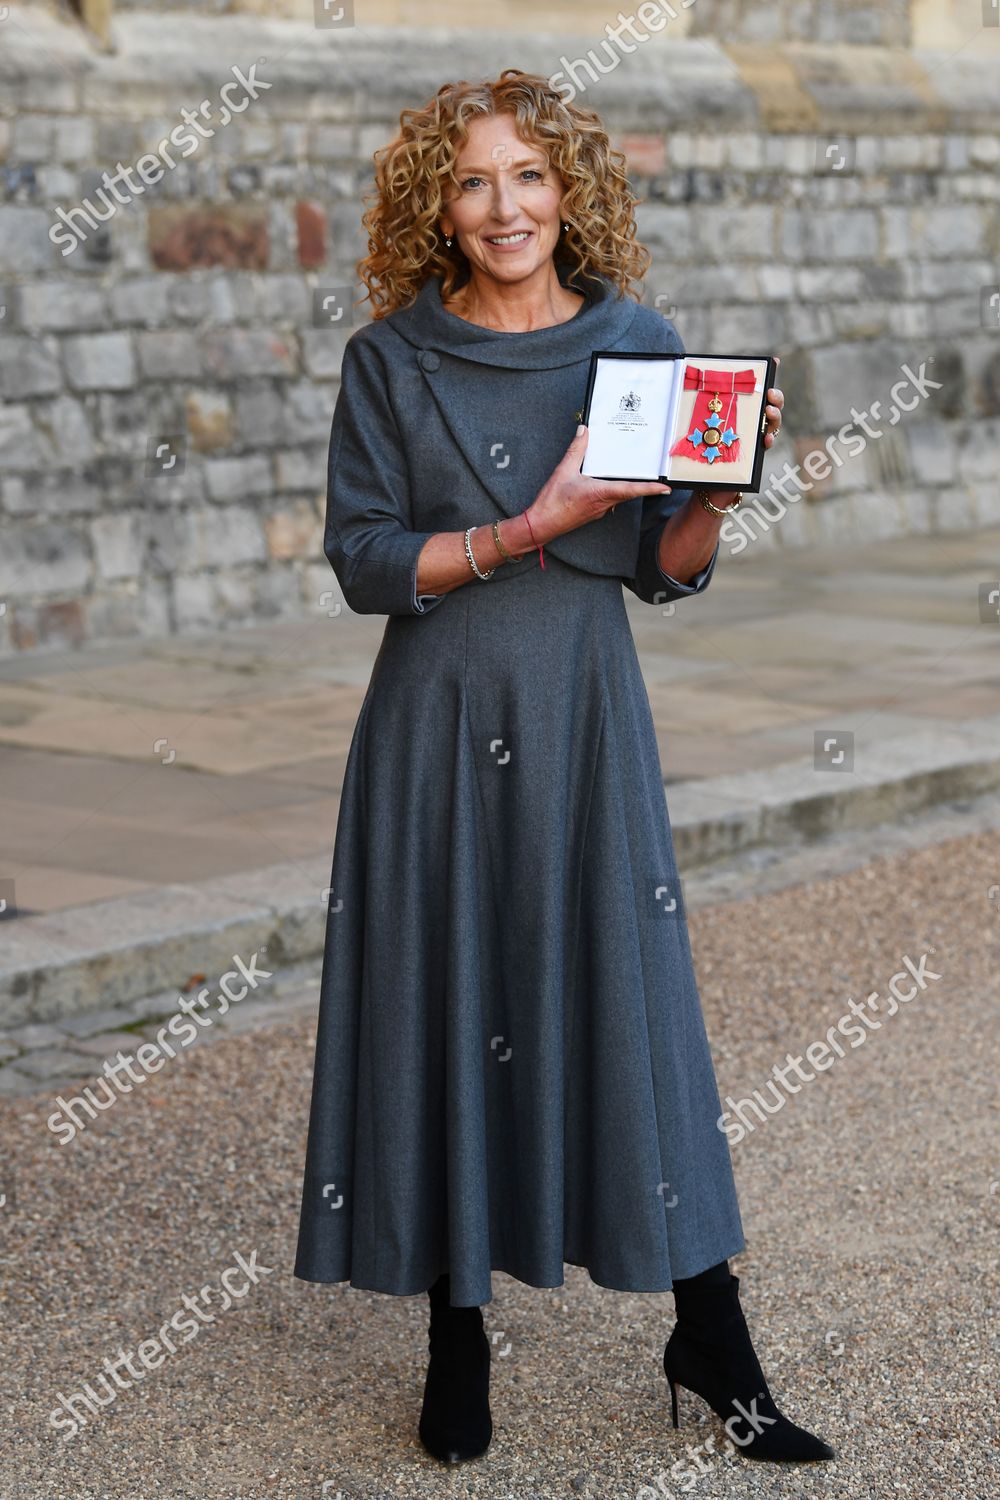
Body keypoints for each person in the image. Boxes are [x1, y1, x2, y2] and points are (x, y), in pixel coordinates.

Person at [294, 68, 834, 1468]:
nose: (505, 206)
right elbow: (363, 564)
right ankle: (455, 1330)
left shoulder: (638, 340)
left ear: (568, 188)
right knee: (447, 999)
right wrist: (530, 524)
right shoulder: (390, 360)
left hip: (588, 714)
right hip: (434, 720)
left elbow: (664, 570)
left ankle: (710, 1332)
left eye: (529, 176)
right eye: (474, 182)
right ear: (439, 207)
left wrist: (711, 499)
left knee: (628, 999)